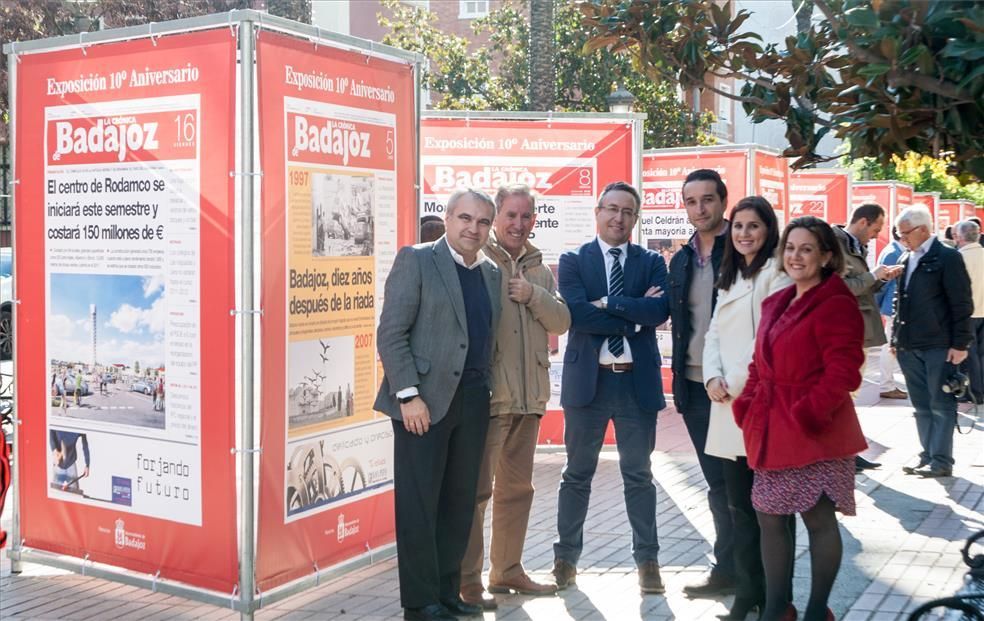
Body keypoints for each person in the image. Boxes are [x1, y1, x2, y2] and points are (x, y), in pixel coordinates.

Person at [374, 188, 502, 621]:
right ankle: (420, 602)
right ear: (447, 218)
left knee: (459, 503)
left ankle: (448, 593)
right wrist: (407, 395)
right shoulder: (418, 259)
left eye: (483, 222)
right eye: (465, 218)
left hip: (472, 401)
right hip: (422, 404)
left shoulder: (491, 273)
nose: (474, 228)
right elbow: (391, 334)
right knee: (419, 505)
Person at [734, 216, 867, 621]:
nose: (795, 256)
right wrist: (747, 403)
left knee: (818, 518)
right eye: (790, 248)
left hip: (816, 429)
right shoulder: (777, 299)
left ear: (827, 256)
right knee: (769, 516)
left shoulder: (836, 301)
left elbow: (844, 371)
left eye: (806, 248)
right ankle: (777, 609)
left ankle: (815, 612)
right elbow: (760, 363)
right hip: (773, 427)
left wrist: (808, 413)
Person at [552, 181, 670, 594]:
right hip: (589, 385)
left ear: (635, 219)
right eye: (612, 209)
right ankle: (565, 559)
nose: (618, 218)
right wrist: (633, 316)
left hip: (635, 386)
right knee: (576, 475)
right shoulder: (572, 260)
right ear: (598, 212)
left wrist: (607, 304)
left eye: (627, 212)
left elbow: (660, 309)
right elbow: (577, 316)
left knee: (639, 475)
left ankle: (648, 562)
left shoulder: (652, 261)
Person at [460, 184, 570, 609]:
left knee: (517, 490)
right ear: (496, 216)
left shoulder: (539, 268)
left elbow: (560, 321)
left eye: (526, 217)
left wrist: (533, 295)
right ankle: (468, 579)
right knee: (476, 494)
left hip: (529, 399)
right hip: (490, 399)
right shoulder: (478, 261)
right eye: (511, 215)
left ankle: (506, 571)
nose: (518, 225)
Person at [702, 197, 791, 620]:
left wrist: (731, 383)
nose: (743, 234)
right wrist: (710, 377)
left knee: (772, 513)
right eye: (737, 226)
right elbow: (714, 334)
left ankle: (776, 601)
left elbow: (768, 343)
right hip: (728, 408)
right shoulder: (730, 275)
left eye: (752, 226)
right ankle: (747, 594)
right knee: (739, 510)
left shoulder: (778, 275)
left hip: (764, 407)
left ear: (768, 229)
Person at [668, 169, 735, 597]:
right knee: (715, 483)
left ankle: (750, 573)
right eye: (691, 201)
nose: (699, 209)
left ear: (723, 201)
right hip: (693, 387)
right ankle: (725, 570)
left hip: (733, 388)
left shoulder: (745, 250)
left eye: (707, 199)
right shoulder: (681, 259)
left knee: (739, 485)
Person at [893, 206, 974, 478]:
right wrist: (896, 339)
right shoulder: (906, 258)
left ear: (923, 230)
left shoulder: (947, 257)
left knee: (940, 403)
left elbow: (961, 303)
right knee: (920, 405)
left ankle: (941, 459)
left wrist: (961, 344)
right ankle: (927, 454)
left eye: (905, 234)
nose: (902, 239)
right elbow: (900, 303)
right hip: (909, 345)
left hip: (938, 344)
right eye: (899, 234)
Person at [832, 203, 903, 472]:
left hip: (856, 332)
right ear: (862, 222)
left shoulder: (853, 245)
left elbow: (858, 286)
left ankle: (848, 451)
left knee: (848, 397)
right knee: (843, 396)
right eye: (875, 229)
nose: (876, 235)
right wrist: (873, 275)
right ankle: (842, 453)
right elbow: (836, 288)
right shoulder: (836, 244)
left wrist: (880, 279)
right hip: (844, 333)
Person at [875, 227, 908, 400]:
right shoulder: (894, 253)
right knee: (889, 347)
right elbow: (883, 284)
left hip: (892, 307)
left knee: (890, 346)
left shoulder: (894, 251)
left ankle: (888, 384)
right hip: (893, 307)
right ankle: (886, 385)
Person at [954, 220, 984, 404]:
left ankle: (974, 392)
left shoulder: (958, 258)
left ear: (959, 236)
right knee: (981, 353)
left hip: (968, 313)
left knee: (969, 354)